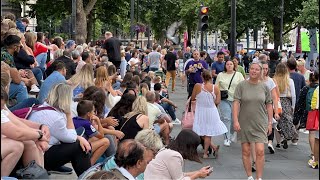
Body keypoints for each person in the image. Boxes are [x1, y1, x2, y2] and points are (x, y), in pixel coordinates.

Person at [28, 83, 92, 177]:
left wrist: (77, 137)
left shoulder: (42, 107)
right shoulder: (56, 117)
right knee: (79, 146)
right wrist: (69, 114)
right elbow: (72, 138)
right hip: (40, 155)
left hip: (34, 151)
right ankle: (87, 177)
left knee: (78, 140)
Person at [233, 62, 273, 180]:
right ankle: (249, 176)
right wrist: (235, 120)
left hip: (260, 121)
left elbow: (269, 104)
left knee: (260, 151)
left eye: (256, 69)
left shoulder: (265, 87)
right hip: (244, 121)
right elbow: (236, 103)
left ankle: (259, 177)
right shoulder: (241, 86)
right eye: (251, 69)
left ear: (260, 72)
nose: (254, 71)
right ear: (248, 70)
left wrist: (270, 122)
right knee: (246, 151)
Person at [1, 85, 49, 177]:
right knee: (17, 145)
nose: (3, 108)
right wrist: (39, 135)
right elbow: (17, 133)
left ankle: (40, 175)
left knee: (29, 141)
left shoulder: (2, 107)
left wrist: (38, 131)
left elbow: (17, 122)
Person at [144, 129, 213, 179]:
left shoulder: (168, 150)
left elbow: (179, 175)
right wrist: (198, 174)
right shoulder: (174, 156)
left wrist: (199, 172)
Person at [191, 70, 227, 158]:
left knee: (200, 131)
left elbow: (192, 97)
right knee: (208, 132)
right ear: (211, 77)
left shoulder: (197, 86)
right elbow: (218, 101)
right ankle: (207, 151)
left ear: (202, 77)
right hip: (212, 111)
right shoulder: (216, 88)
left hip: (201, 111)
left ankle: (209, 150)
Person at [216, 60, 244, 146]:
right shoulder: (220, 75)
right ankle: (226, 138)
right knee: (226, 118)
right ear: (225, 66)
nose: (229, 66)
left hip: (236, 100)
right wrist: (216, 99)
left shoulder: (238, 75)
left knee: (233, 119)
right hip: (224, 99)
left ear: (234, 65)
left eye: (231, 64)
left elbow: (243, 86)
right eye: (227, 64)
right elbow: (216, 87)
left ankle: (231, 133)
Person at [73, 100, 110, 165]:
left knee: (95, 138)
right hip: (80, 148)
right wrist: (98, 121)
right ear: (88, 114)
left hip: (74, 145)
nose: (95, 114)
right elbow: (102, 135)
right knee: (106, 141)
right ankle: (89, 165)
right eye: (93, 111)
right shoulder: (86, 123)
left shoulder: (73, 119)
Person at [273, 63, 298, 149]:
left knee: (277, 122)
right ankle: (288, 136)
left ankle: (278, 142)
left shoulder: (273, 80)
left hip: (276, 101)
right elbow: (293, 95)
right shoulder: (289, 81)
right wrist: (293, 106)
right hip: (286, 102)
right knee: (288, 120)